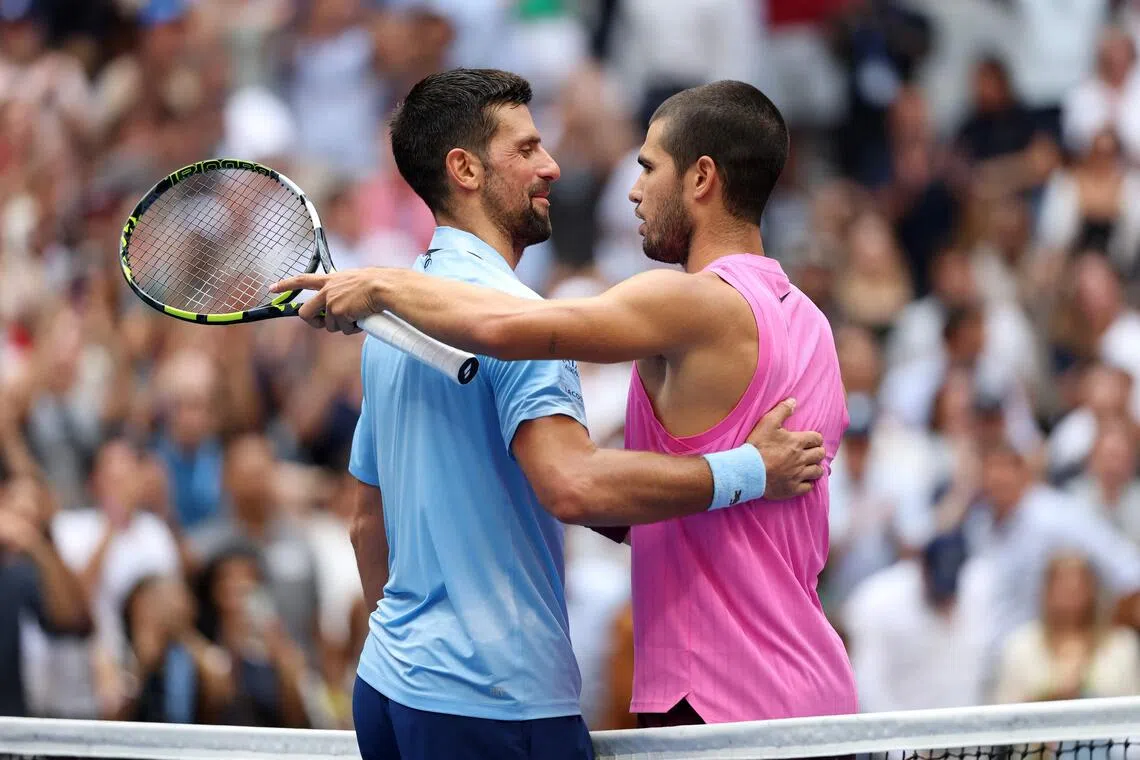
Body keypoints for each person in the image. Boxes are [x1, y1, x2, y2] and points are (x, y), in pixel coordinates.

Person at [274, 69, 828, 759]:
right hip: (498, 703)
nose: (552, 165)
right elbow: (574, 484)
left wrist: (414, 654)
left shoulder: (388, 325)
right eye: (528, 147)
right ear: (466, 168)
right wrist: (748, 470)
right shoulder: (513, 320)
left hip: (391, 690)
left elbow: (365, 525)